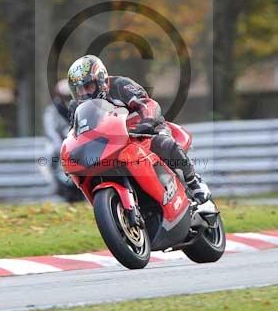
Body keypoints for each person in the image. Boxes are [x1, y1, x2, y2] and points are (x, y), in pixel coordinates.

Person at [65, 54, 211, 203]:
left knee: (163, 143)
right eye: (79, 90)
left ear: (101, 79)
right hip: (112, 143)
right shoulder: (76, 107)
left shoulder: (120, 85)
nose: (83, 94)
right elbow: (75, 134)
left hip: (142, 131)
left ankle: (194, 183)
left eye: (88, 87)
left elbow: (147, 104)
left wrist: (146, 123)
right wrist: (73, 157)